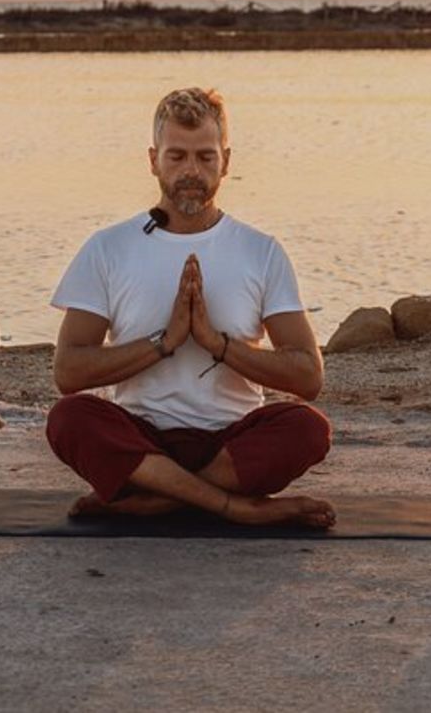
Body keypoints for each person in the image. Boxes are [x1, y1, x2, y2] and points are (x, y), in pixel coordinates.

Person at [46, 87, 335, 528]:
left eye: (205, 157)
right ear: (152, 160)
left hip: (229, 442)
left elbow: (308, 376)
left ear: (226, 160)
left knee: (309, 428)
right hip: (142, 441)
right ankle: (232, 506)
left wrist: (216, 344)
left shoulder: (261, 251)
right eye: (176, 156)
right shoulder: (109, 248)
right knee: (69, 419)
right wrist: (166, 342)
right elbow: (68, 372)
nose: (191, 171)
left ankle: (153, 501)